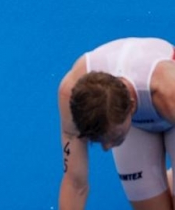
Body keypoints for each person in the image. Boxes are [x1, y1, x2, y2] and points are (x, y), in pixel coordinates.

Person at [57, 37, 175, 210]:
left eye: (114, 137)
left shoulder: (168, 92)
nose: (107, 147)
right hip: (133, 123)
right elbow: (75, 184)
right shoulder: (71, 96)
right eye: (99, 140)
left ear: (132, 105)